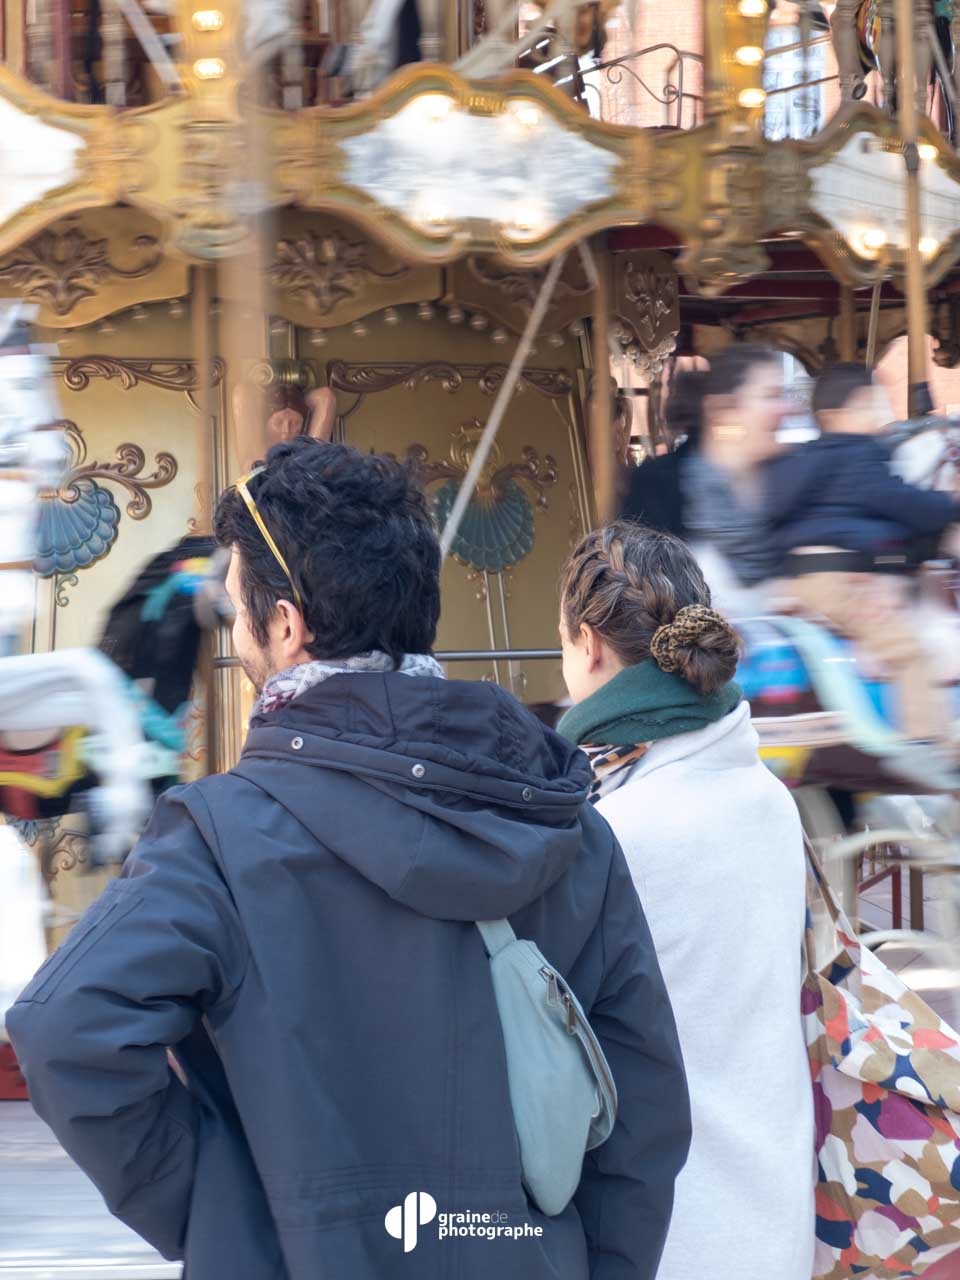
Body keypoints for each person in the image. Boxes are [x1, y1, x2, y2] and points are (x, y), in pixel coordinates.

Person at [7, 437, 691, 1280]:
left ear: (285, 626)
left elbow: (65, 1029)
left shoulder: (218, 837)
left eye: (238, 607)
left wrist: (226, 1215)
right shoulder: (570, 823)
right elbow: (645, 1106)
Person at [557, 521, 815, 1280]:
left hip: (668, 1235)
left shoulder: (612, 829)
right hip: (777, 1217)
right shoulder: (771, 801)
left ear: (588, 645)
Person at [766, 361, 960, 746]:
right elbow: (901, 503)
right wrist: (949, 506)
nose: (878, 414)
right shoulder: (860, 456)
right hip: (840, 581)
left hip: (802, 577)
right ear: (833, 416)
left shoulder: (802, 462)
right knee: (907, 651)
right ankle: (930, 746)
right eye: (867, 405)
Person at [622, 346, 788, 613]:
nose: (787, 409)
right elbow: (634, 584)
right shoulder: (659, 484)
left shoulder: (790, 478)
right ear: (722, 408)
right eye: (771, 396)